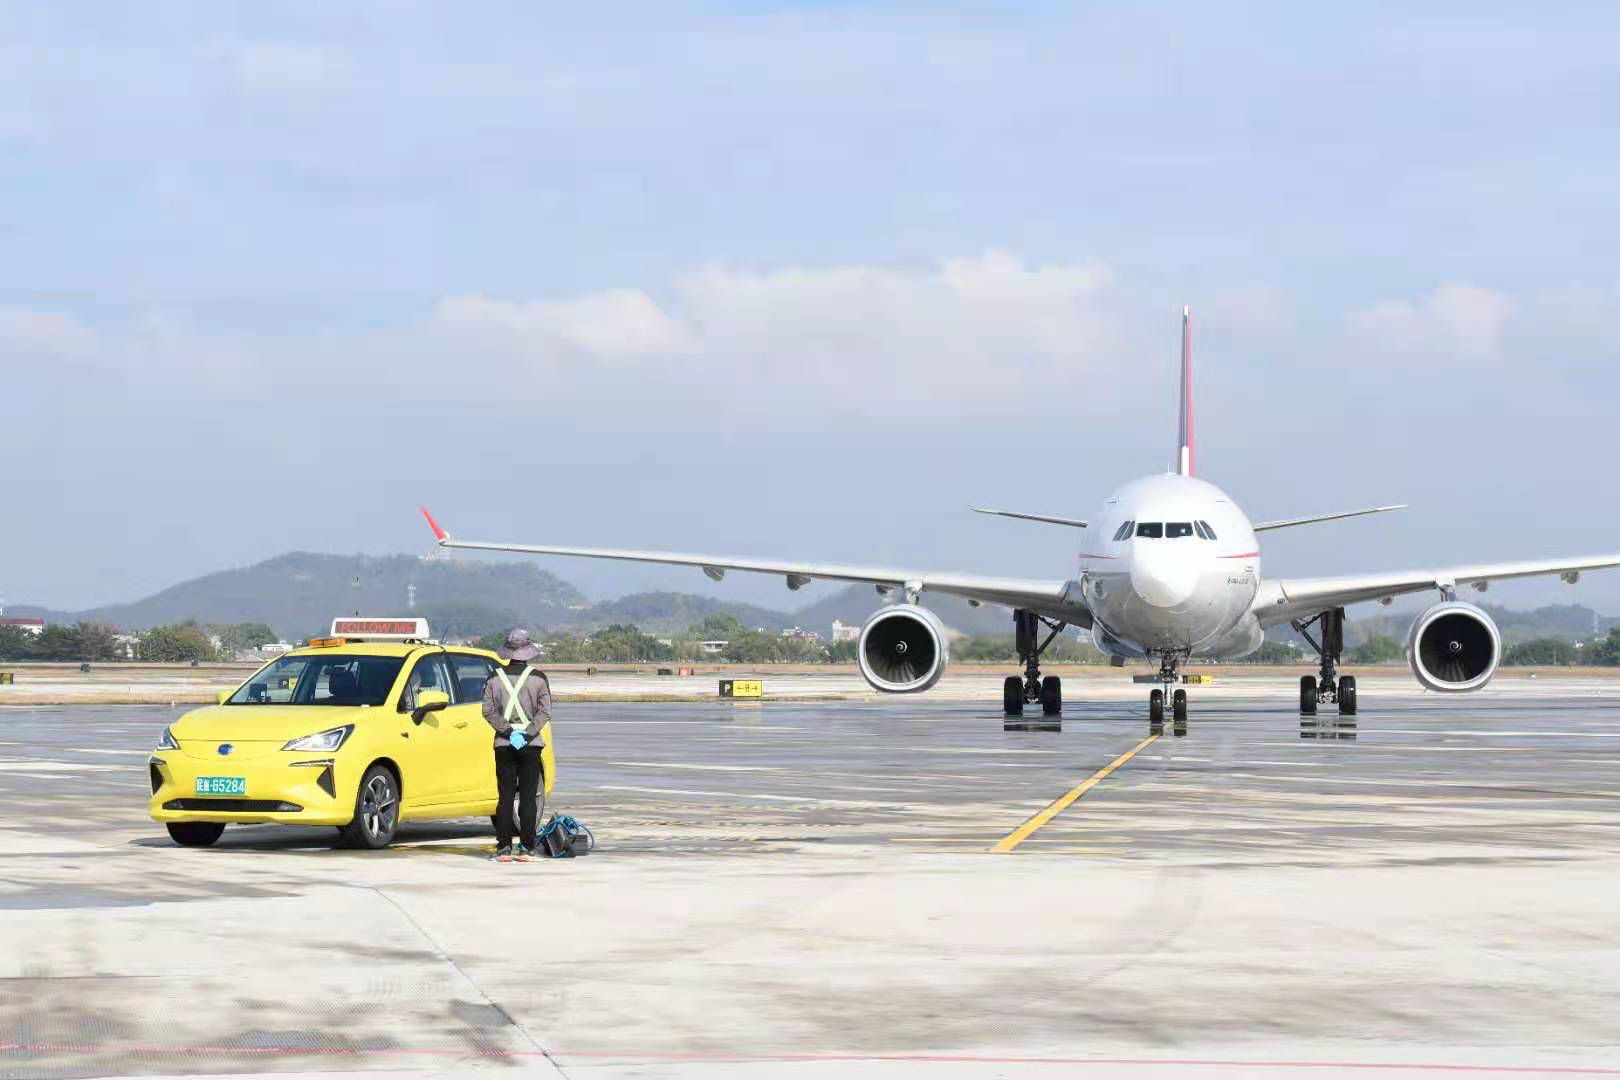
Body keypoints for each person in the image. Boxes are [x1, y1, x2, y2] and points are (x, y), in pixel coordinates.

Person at [482, 628, 551, 863]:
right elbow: (545, 712)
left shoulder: (493, 678)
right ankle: (527, 848)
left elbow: (488, 711)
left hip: (504, 742)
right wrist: (527, 733)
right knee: (529, 797)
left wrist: (509, 732)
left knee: (505, 796)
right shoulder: (539, 679)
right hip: (531, 744)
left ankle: (503, 848)